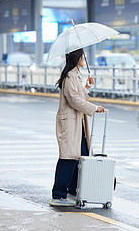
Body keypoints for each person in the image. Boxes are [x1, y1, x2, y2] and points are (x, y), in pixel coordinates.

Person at [49, 48, 105, 207]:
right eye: (82, 56)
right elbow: (74, 100)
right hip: (71, 123)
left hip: (78, 123)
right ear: (77, 58)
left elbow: (79, 96)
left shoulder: (75, 76)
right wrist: (94, 108)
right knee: (68, 157)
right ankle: (58, 195)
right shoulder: (69, 77)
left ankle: (72, 191)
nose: (84, 58)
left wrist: (86, 87)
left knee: (80, 156)